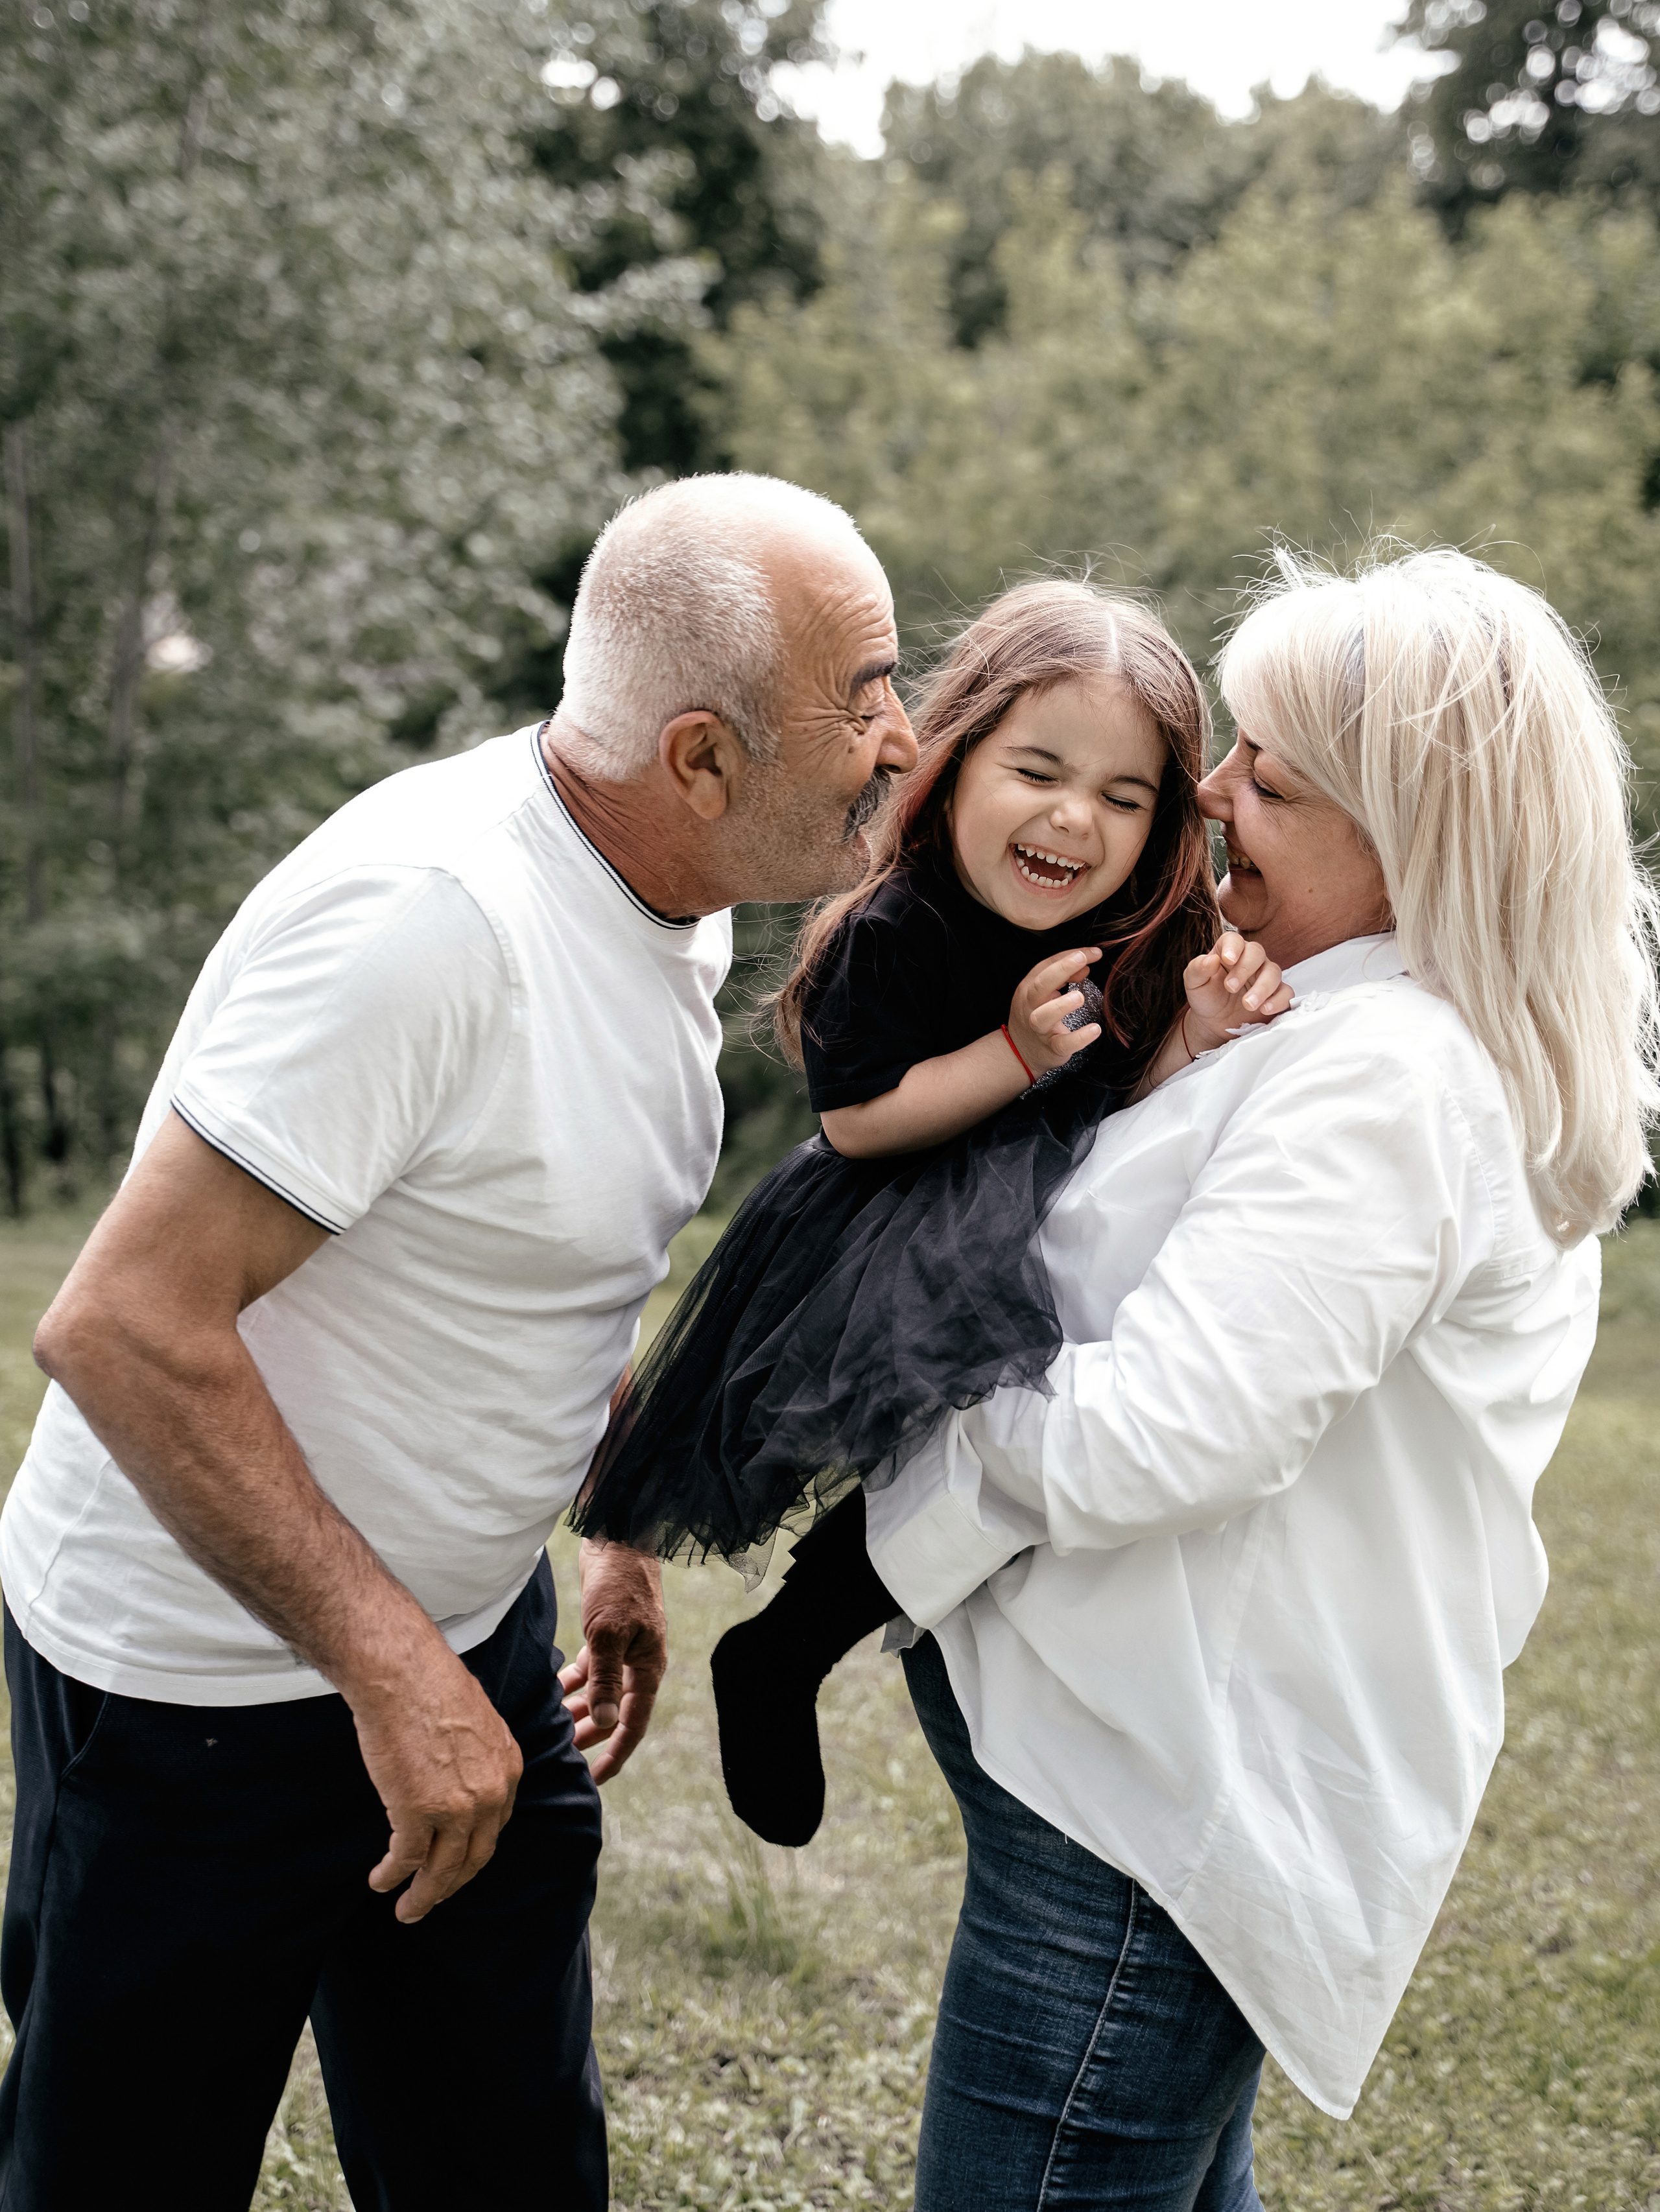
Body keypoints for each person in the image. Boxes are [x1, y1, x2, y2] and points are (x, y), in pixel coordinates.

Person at [0, 473, 918, 2209]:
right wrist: (392, 1672)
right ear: (701, 757)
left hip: (460, 1644)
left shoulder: (667, 874)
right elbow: (122, 1323)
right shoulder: (432, 921)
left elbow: (517, 1265)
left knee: (503, 2155)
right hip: (199, 1691)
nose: (902, 735)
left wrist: (618, 1528)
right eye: (863, 695)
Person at [859, 547, 1660, 2210]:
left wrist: (901, 1405)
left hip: (1151, 1822)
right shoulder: (1344, 1027)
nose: (1207, 788)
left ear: (1407, 838)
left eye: (1268, 781)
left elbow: (1158, 1435)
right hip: (1146, 1790)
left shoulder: (1392, 1080)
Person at [573, 582, 1293, 1846]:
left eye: (1124, 799)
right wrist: (1011, 1056)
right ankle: (785, 1645)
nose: (1073, 816)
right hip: (897, 1199)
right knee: (950, 1408)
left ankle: (791, 1638)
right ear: (954, 764)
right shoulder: (895, 926)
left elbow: (1134, 1094)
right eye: (1036, 769)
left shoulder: (1136, 928)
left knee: (1001, 1449)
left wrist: (1199, 1024)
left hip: (1050, 1194)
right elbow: (855, 1119)